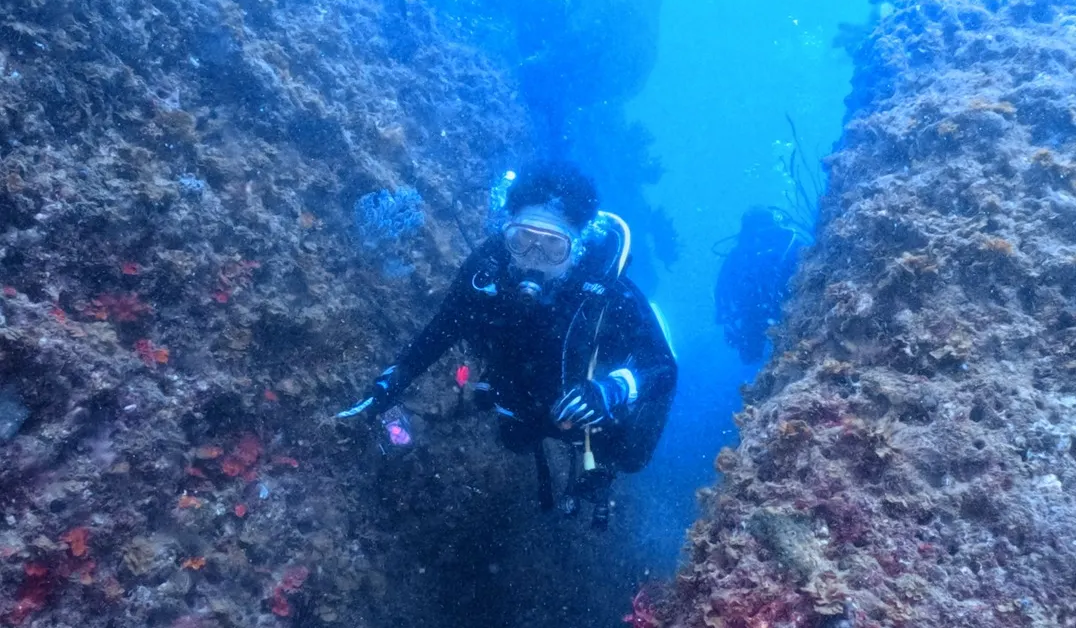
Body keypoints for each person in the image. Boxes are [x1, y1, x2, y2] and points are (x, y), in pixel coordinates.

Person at [338, 162, 676, 528]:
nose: (535, 258)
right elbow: (440, 332)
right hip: (529, 391)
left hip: (587, 399)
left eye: (553, 246)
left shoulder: (606, 291)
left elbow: (662, 367)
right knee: (515, 438)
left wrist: (613, 389)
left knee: (629, 456)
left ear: (577, 246)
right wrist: (392, 383)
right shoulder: (486, 269)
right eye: (522, 240)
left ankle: (604, 457)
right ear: (506, 233)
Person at [714, 206, 807, 364]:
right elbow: (722, 290)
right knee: (750, 357)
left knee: (793, 349)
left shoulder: (787, 243)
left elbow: (722, 290)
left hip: (783, 307)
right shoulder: (788, 242)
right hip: (760, 310)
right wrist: (728, 321)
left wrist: (727, 319)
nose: (760, 240)